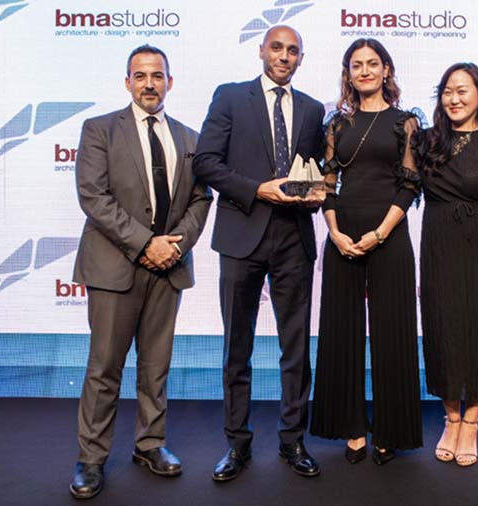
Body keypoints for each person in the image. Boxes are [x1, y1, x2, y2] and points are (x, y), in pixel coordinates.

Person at [69, 44, 212, 499]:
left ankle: (150, 444)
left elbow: (201, 199)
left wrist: (176, 245)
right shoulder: (99, 130)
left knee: (156, 366)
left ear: (170, 81)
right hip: (115, 267)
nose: (149, 83)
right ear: (127, 82)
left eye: (157, 75)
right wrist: (146, 243)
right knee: (104, 367)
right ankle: (91, 458)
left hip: (169, 268)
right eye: (140, 75)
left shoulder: (190, 138)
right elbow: (93, 197)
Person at [193, 25, 325, 481]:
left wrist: (316, 194)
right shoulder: (230, 97)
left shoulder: (312, 109)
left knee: (296, 348)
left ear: (301, 58)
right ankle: (237, 444)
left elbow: (312, 173)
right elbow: (205, 162)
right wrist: (257, 190)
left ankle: (293, 441)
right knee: (237, 347)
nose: (284, 56)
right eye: (277, 48)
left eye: (293, 50)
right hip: (240, 236)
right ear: (261, 51)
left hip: (294, 239)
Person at [310, 38, 422, 466]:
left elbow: (409, 185)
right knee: (341, 333)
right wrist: (335, 233)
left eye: (373, 63)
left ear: (386, 69)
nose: (365, 71)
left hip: (389, 235)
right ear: (348, 73)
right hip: (342, 236)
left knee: (393, 332)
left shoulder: (406, 123)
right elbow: (327, 184)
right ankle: (352, 427)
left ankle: (390, 431)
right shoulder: (337, 125)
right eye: (356, 65)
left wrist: (379, 233)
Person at [417, 62, 478, 467]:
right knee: (441, 330)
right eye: (447, 91)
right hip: (439, 248)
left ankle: (472, 422)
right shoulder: (426, 141)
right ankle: (451, 419)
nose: (454, 98)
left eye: (463, 90)